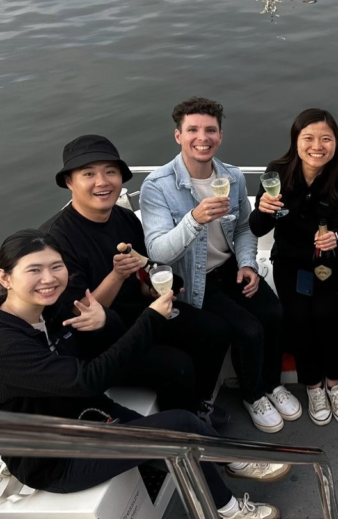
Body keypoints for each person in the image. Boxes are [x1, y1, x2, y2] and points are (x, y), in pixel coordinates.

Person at [0, 230, 286, 519]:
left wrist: (104, 320)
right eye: (34, 270)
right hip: (56, 458)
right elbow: (87, 380)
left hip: (91, 414)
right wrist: (150, 319)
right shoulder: (7, 344)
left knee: (181, 432)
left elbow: (107, 344)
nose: (48, 278)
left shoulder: (52, 311)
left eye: (55, 266)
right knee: (180, 424)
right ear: (5, 278)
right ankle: (231, 506)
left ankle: (232, 461)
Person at [44, 135, 231, 427]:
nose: (102, 182)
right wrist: (117, 275)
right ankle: (183, 426)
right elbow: (81, 314)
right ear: (70, 182)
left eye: (110, 171)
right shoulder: (56, 240)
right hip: (98, 340)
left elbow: (143, 275)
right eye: (89, 174)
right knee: (176, 366)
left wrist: (152, 289)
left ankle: (199, 402)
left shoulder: (125, 218)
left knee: (215, 331)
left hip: (139, 314)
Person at [140, 97, 299, 434]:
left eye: (210, 130)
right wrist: (194, 219)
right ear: (178, 135)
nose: (203, 138)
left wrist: (248, 264)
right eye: (193, 130)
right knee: (248, 329)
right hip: (195, 279)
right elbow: (159, 251)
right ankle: (252, 395)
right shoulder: (157, 186)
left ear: (221, 136)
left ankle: (272, 384)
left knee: (274, 313)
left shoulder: (233, 177)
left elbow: (243, 228)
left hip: (231, 268)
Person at [250, 110, 338, 427]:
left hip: (327, 263)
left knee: (324, 314)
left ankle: (335, 381)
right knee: (297, 316)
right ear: (295, 140)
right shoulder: (277, 173)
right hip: (290, 261)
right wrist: (263, 210)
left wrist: (335, 237)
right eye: (308, 138)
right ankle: (313, 385)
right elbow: (257, 229)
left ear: (336, 143)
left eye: (326, 139)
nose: (317, 146)